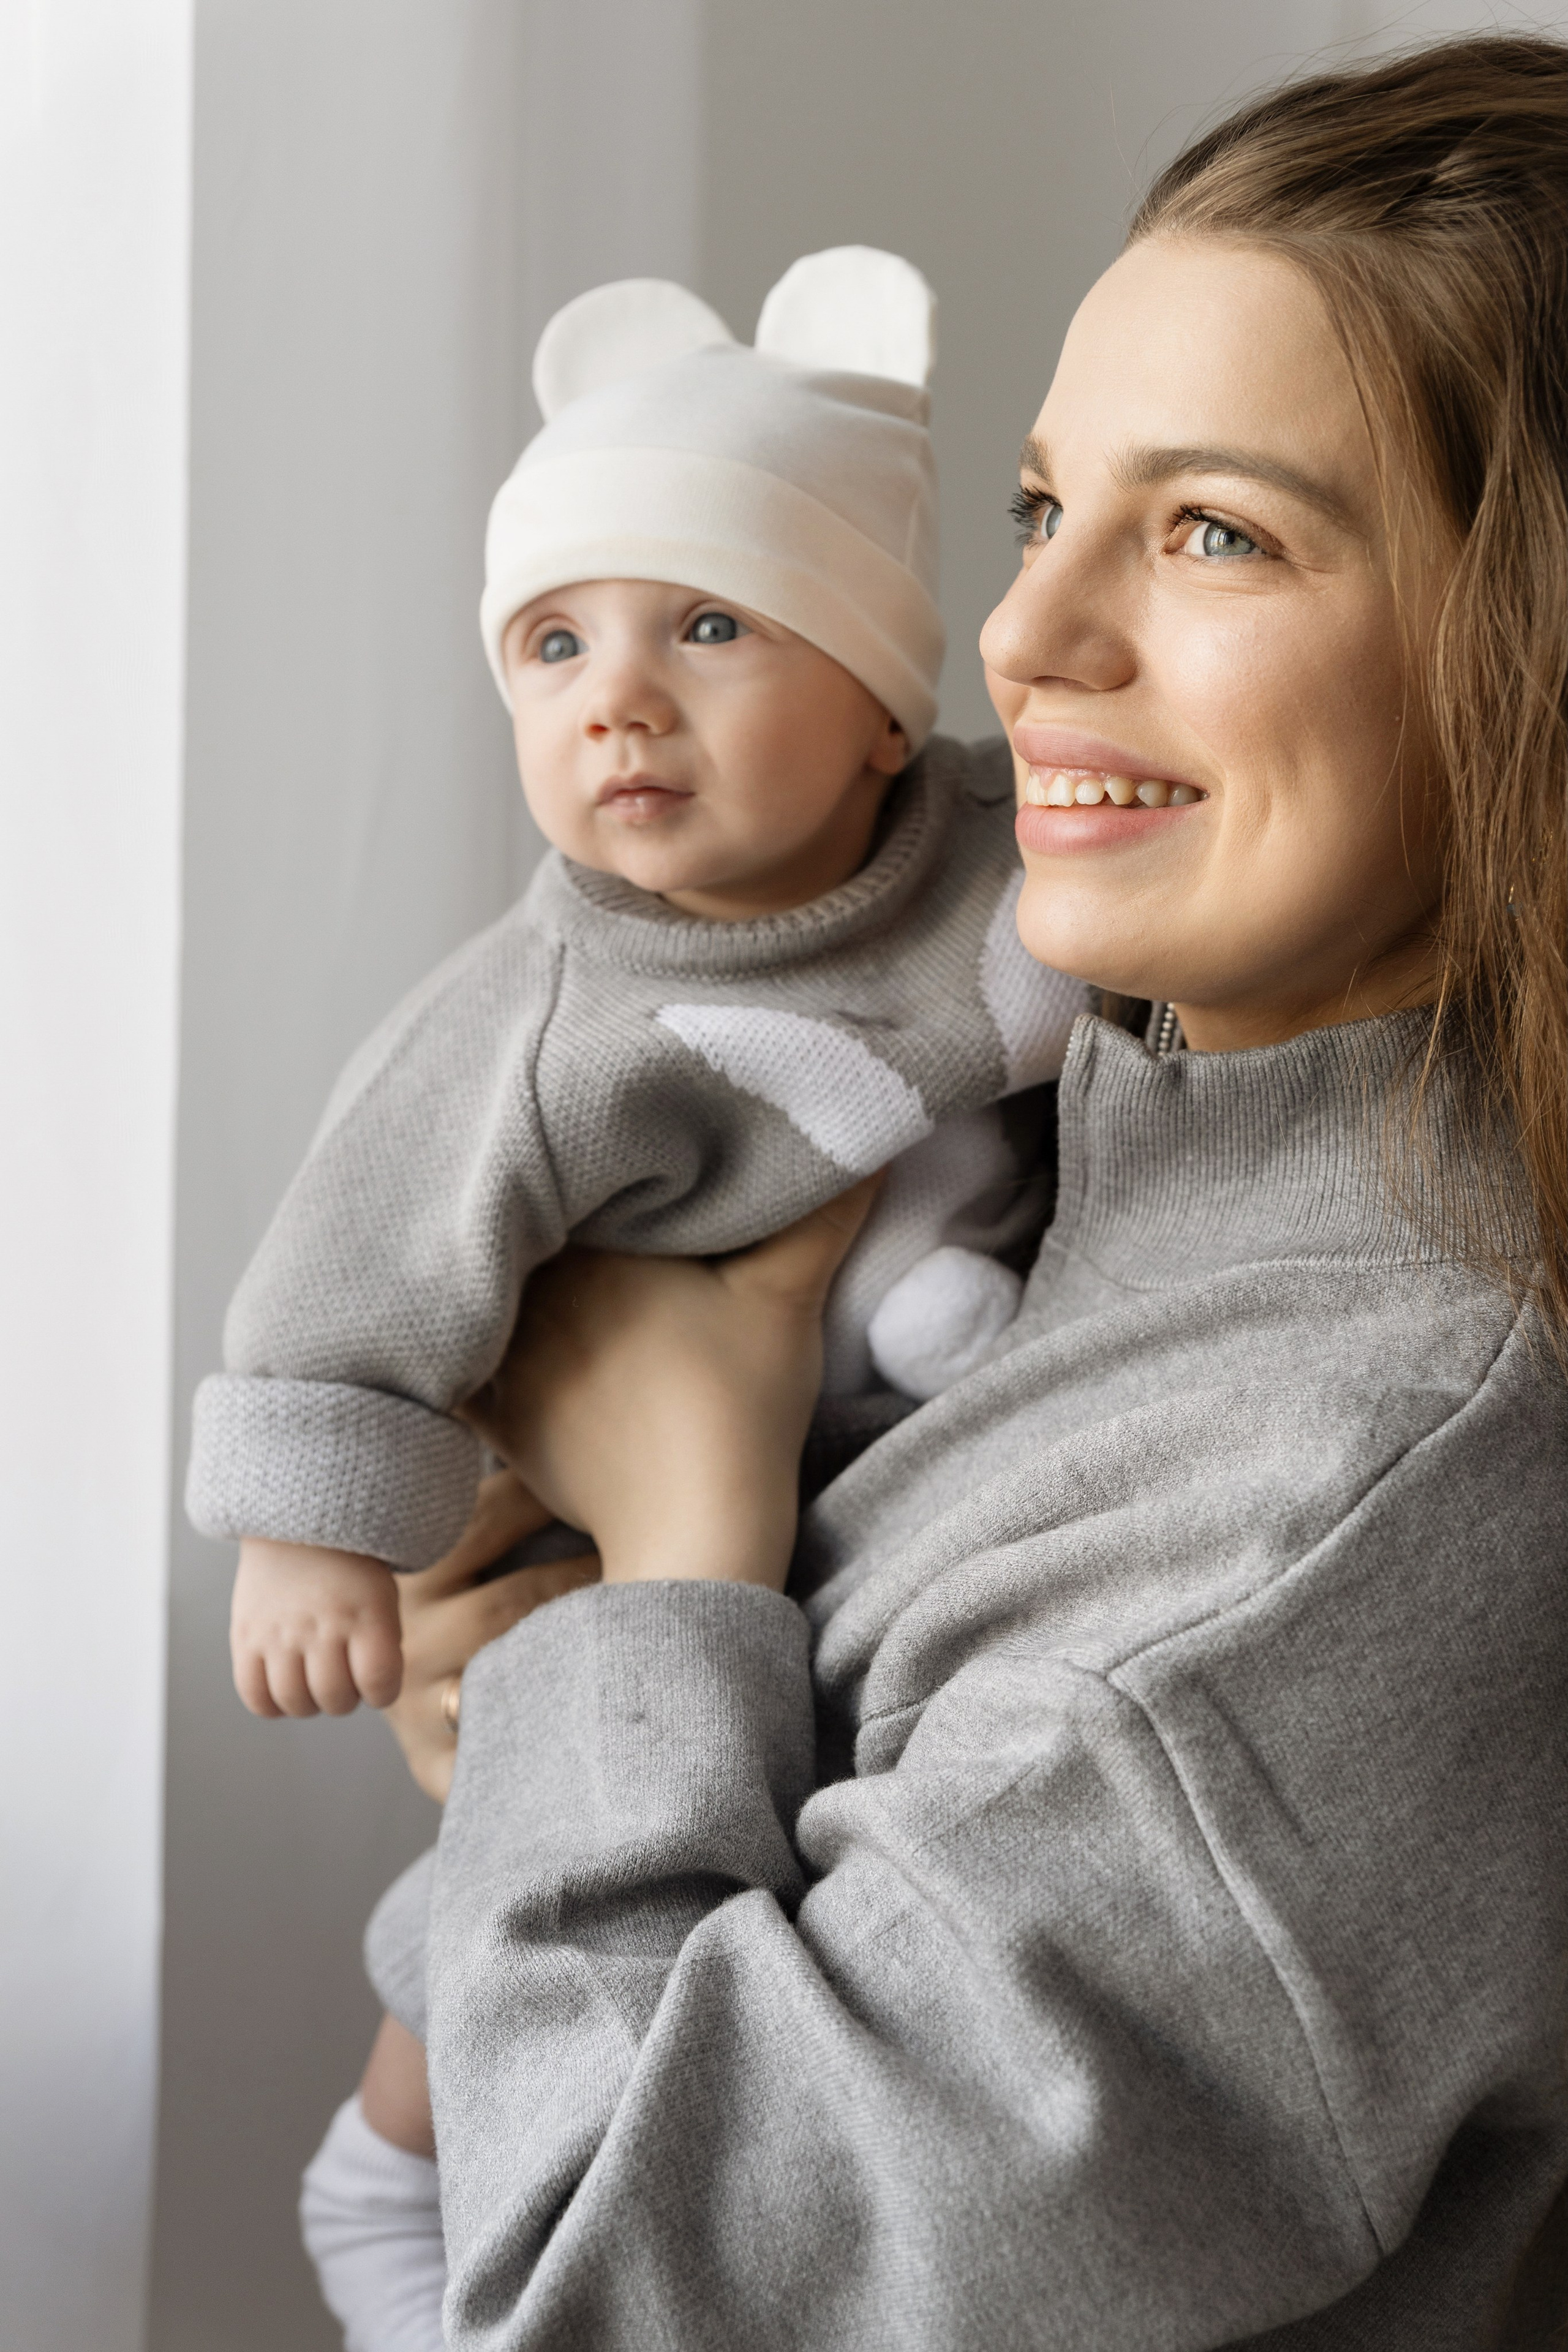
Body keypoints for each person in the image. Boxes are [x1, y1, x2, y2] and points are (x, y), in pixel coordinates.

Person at [323, 32, 1567, 2351]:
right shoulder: (1069, 1104)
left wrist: (673, 1543)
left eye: (1215, 531)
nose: (1024, 639)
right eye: (1036, 508)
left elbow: (587, 2296)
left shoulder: (1350, 1512)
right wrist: (548, 1690)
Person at [185, 243, 1088, 1727]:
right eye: (554, 645)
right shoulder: (546, 1015)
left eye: (711, 625)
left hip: (949, 1456)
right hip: (622, 1496)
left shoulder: (1008, 847)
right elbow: (364, 1238)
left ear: (880, 710)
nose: (617, 699)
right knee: (543, 1745)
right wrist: (308, 1533)